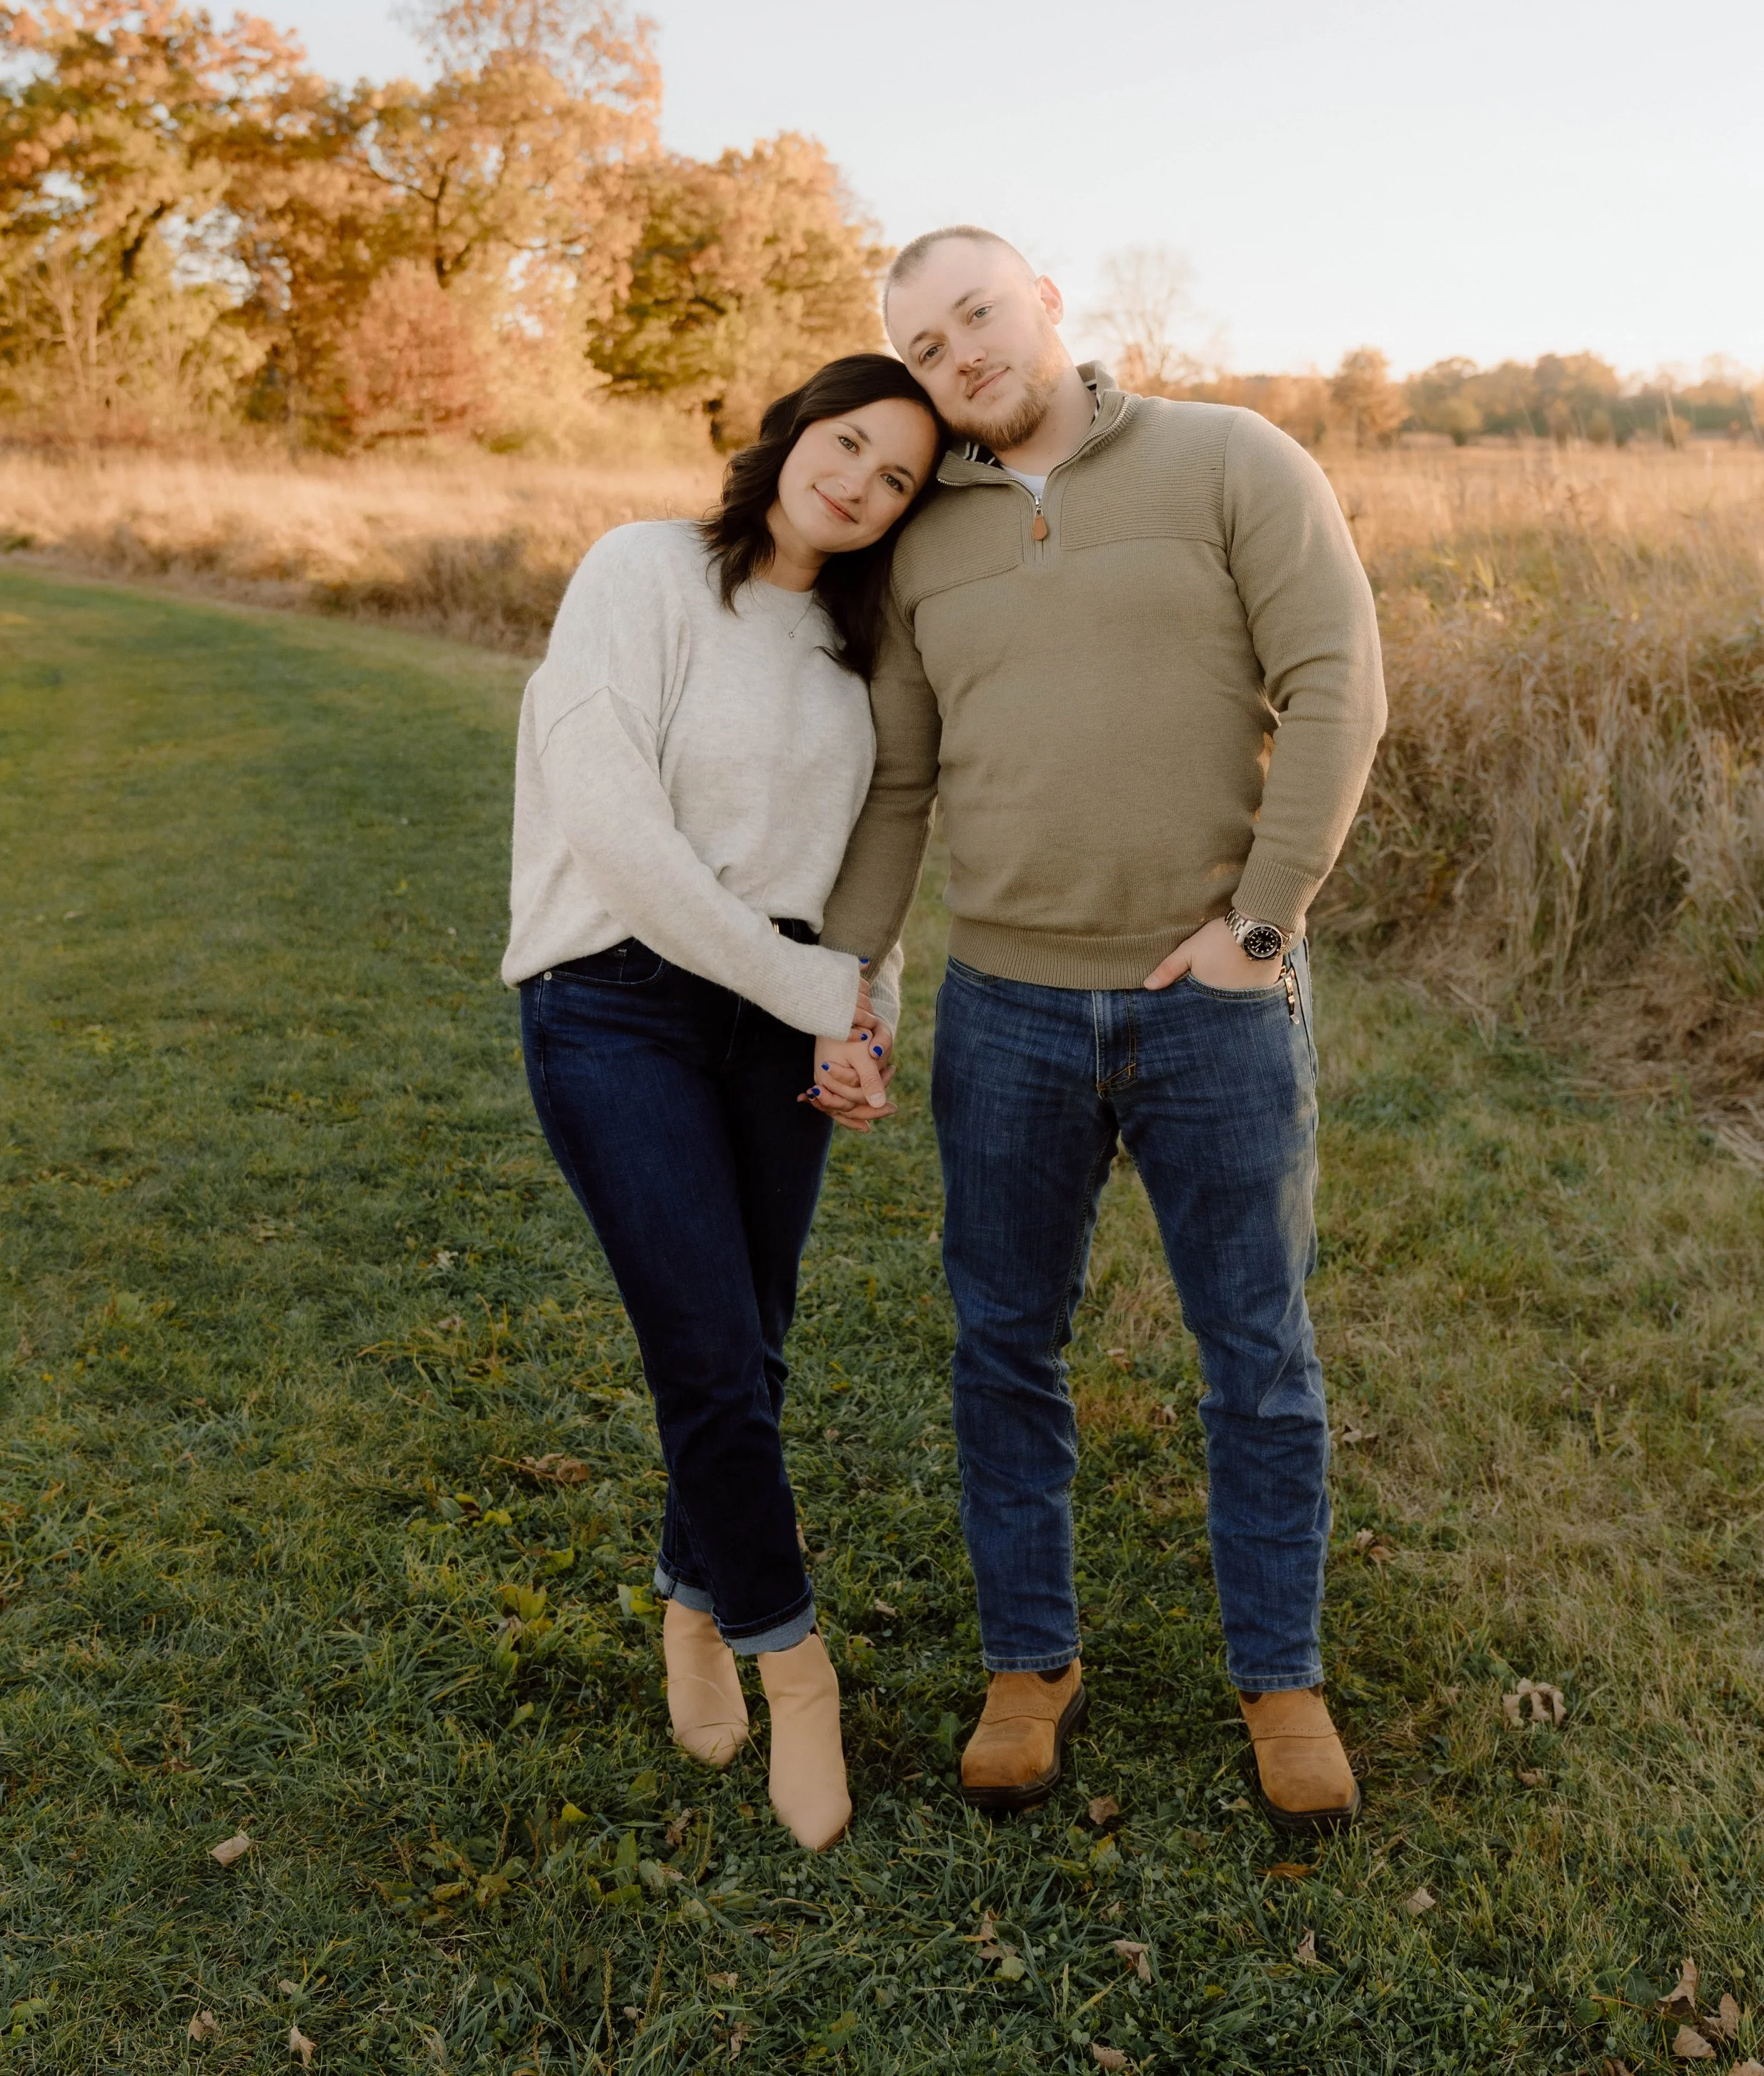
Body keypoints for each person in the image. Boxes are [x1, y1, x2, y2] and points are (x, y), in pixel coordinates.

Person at [817, 228, 1387, 1835]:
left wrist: (1259, 925)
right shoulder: (917, 541)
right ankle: (1028, 1663)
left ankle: (1278, 1677)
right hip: (1001, 1010)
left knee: (1256, 1355)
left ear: (1045, 299)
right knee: (1004, 1343)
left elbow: (1337, 682)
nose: (961, 355)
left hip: (1210, 1004)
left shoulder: (1226, 458)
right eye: (923, 345)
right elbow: (902, 783)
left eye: (977, 313)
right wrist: (851, 973)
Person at [502, 354, 942, 1851]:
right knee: (702, 1348)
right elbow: (611, 825)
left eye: (895, 479)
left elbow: (866, 854)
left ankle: (694, 1608)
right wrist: (798, 981)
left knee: (747, 1344)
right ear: (790, 430)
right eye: (849, 443)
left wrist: (862, 1008)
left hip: (780, 1020)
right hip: (612, 1000)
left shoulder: (851, 649)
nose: (860, 484)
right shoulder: (640, 571)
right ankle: (793, 1662)